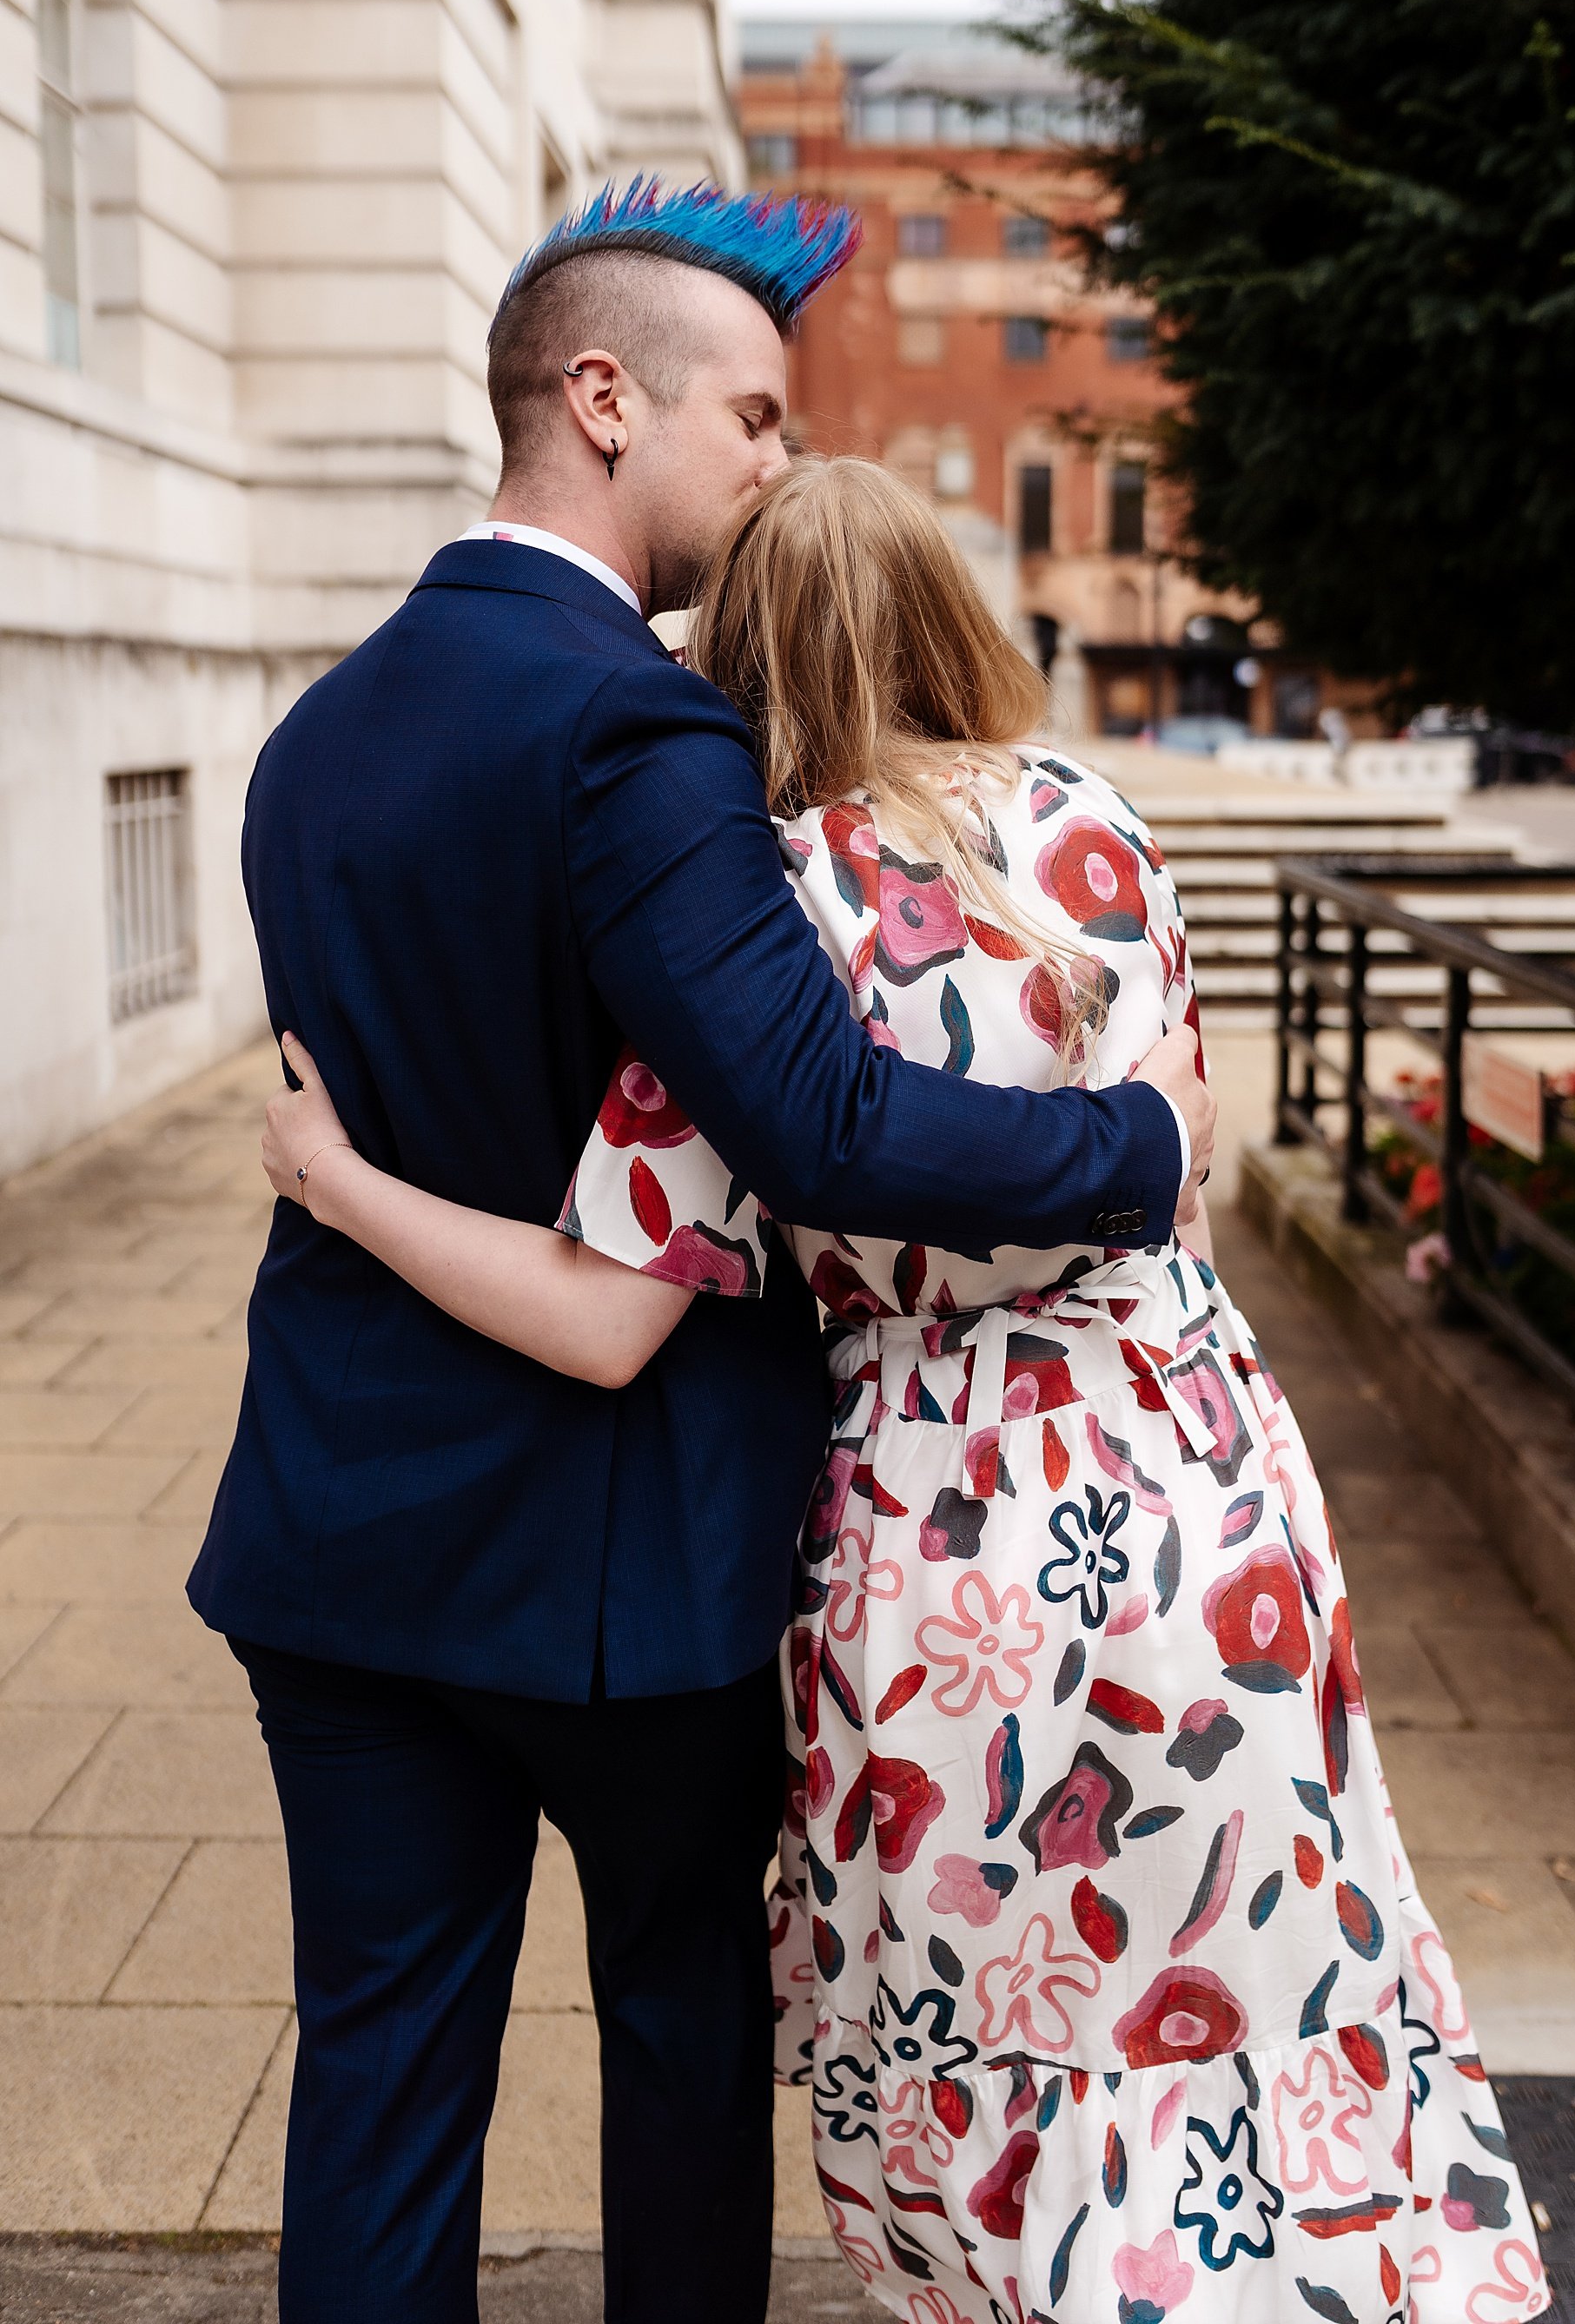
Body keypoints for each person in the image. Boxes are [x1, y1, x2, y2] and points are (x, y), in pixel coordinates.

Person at [261, 456, 1548, 2324]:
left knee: (1022, 2034)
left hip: (946, 1516)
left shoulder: (760, 907)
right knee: (1250, 1975)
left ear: (739, 656)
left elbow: (609, 1313)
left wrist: (340, 1181)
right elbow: (1185, 1136)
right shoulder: (1103, 826)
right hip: (1201, 1469)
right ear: (956, 612)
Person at [189, 182, 1214, 2324]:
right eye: (747, 416)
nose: (772, 466)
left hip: (340, 1538)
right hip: (617, 1574)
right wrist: (1129, 1149)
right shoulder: (636, 734)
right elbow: (817, 1118)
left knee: (377, 2088)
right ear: (599, 399)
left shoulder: (309, 743)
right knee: (672, 2047)